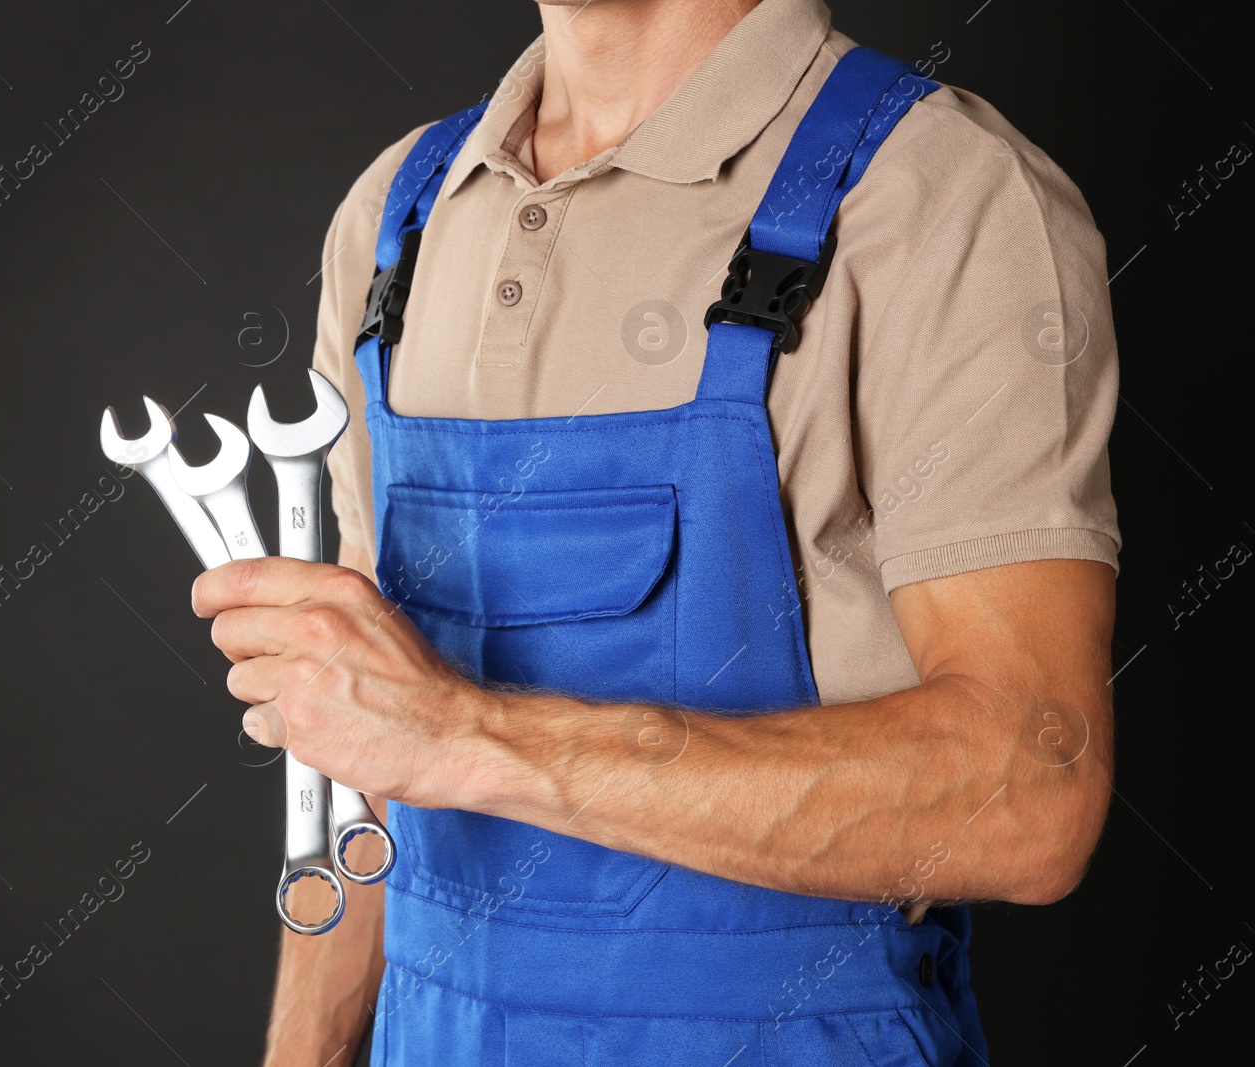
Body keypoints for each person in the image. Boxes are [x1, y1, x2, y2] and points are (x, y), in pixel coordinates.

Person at [192, 0, 1120, 1063]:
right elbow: (358, 741)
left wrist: (467, 735)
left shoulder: (937, 191)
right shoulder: (399, 214)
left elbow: (1032, 792)